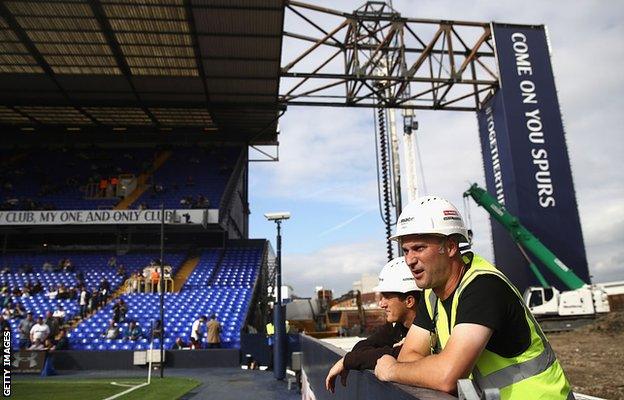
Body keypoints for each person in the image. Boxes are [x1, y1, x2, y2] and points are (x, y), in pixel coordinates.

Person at [372, 196, 571, 399]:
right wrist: (434, 366)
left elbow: (446, 376)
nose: (409, 260)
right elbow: (408, 355)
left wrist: (391, 370)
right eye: (405, 250)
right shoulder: (432, 293)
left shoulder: (483, 287)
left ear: (451, 247)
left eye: (419, 248)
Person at [326, 257, 420, 393]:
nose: (381, 304)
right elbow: (363, 346)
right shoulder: (396, 326)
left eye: (386, 297)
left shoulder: (428, 329)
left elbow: (401, 354)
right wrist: (349, 360)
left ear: (409, 301)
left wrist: (347, 360)